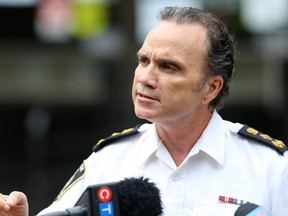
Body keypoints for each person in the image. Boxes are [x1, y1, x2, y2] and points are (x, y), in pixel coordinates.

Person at [1, 6, 288, 216]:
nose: (145, 78)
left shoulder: (271, 168)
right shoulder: (107, 160)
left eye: (168, 67)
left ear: (211, 88)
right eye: (143, 61)